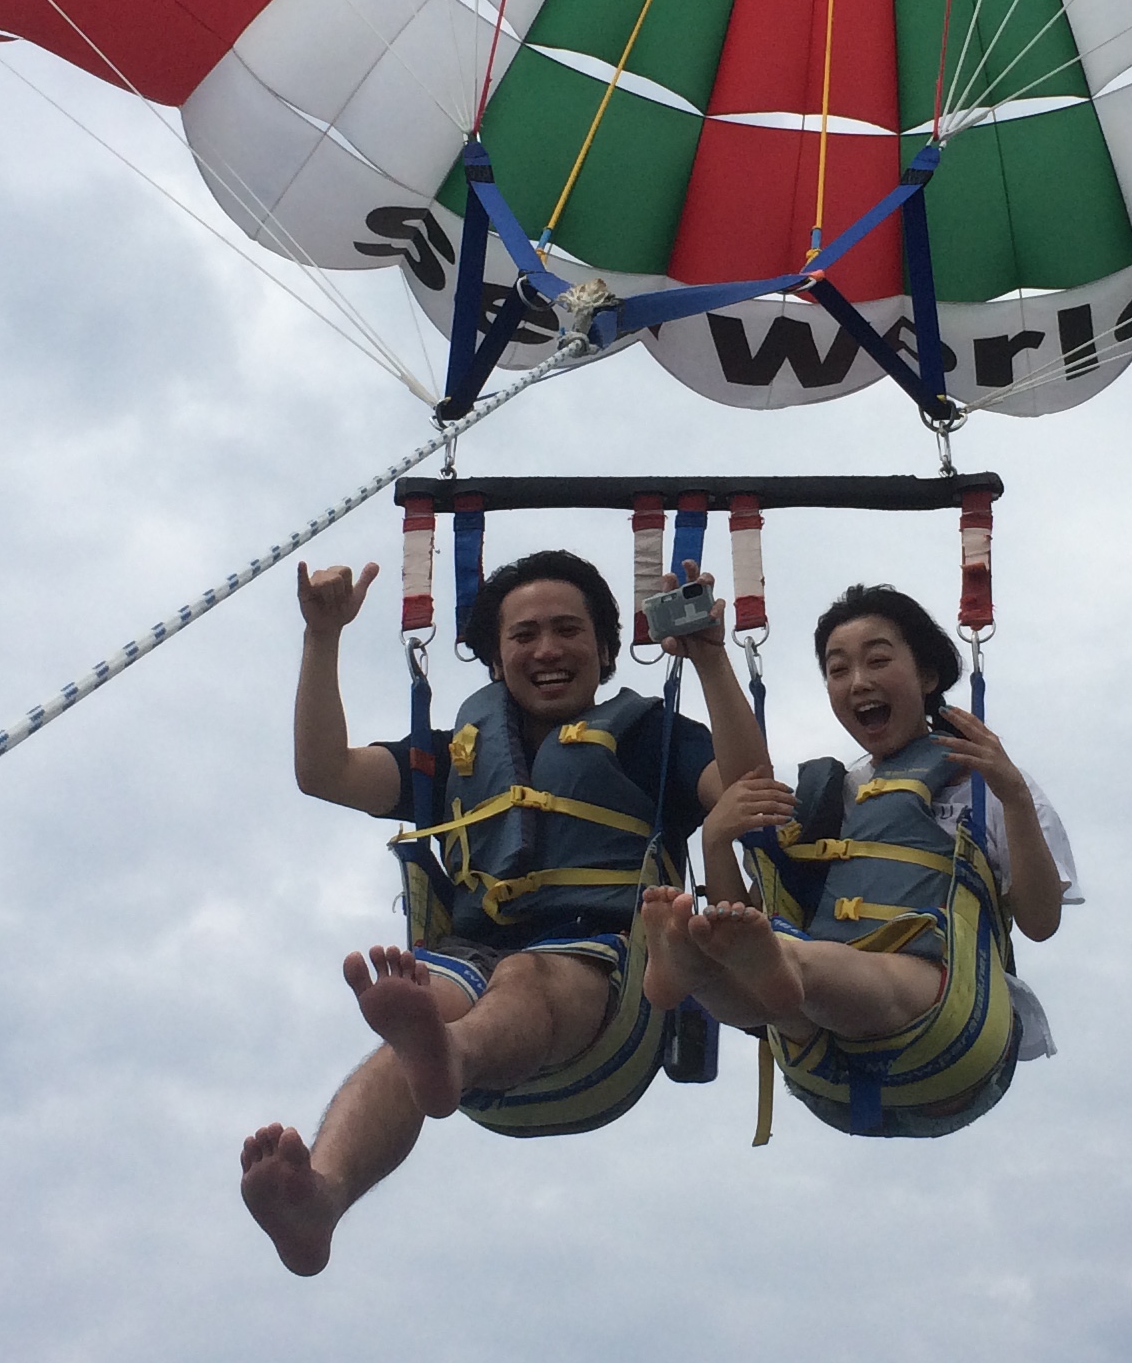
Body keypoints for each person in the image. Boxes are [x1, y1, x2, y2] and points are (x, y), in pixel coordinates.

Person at [240, 545, 768, 1274]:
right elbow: (325, 773)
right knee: (429, 1004)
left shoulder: (650, 739)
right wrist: (321, 636)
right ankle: (320, 1199)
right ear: (495, 659)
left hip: (604, 966)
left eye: (568, 630)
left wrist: (709, 658)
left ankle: (447, 1054)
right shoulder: (456, 756)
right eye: (524, 636)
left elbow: (748, 792)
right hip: (468, 955)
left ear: (606, 650)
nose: (546, 649)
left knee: (511, 984)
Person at [637, 583, 1078, 1138]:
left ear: (927, 675)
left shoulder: (986, 784)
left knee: (804, 967)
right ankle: (695, 970)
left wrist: (1012, 796)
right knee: (756, 959)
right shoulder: (835, 796)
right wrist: (715, 842)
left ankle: (758, 970)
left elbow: (1040, 921)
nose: (858, 682)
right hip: (822, 1056)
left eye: (878, 660)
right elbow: (747, 916)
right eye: (838, 669)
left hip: (943, 1025)